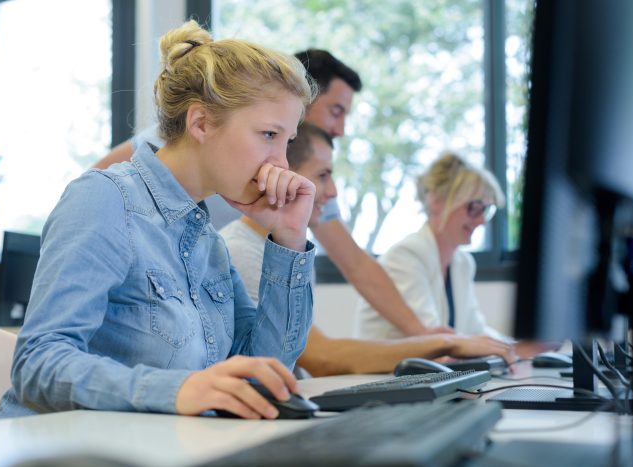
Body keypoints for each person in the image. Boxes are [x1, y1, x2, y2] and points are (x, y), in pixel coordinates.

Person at [0, 20, 317, 420]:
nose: (282, 164)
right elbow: (37, 364)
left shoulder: (205, 240)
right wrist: (177, 390)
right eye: (269, 134)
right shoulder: (104, 199)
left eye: (286, 142)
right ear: (200, 123)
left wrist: (288, 237)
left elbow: (263, 376)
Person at [96, 48, 449, 337]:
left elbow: (356, 263)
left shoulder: (298, 180)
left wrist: (423, 334)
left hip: (209, 288)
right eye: (336, 111)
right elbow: (103, 189)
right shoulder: (187, 136)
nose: (340, 129)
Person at [220, 123, 515, 376]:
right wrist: (442, 343)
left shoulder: (288, 251)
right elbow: (320, 357)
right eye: (323, 175)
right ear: (282, 172)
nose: (334, 191)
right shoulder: (243, 251)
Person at [358, 153, 511, 341]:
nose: (481, 221)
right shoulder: (406, 256)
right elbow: (433, 337)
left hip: (432, 369)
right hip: (388, 370)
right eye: (474, 207)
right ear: (436, 201)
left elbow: (476, 330)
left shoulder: (462, 263)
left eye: (486, 210)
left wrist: (517, 349)